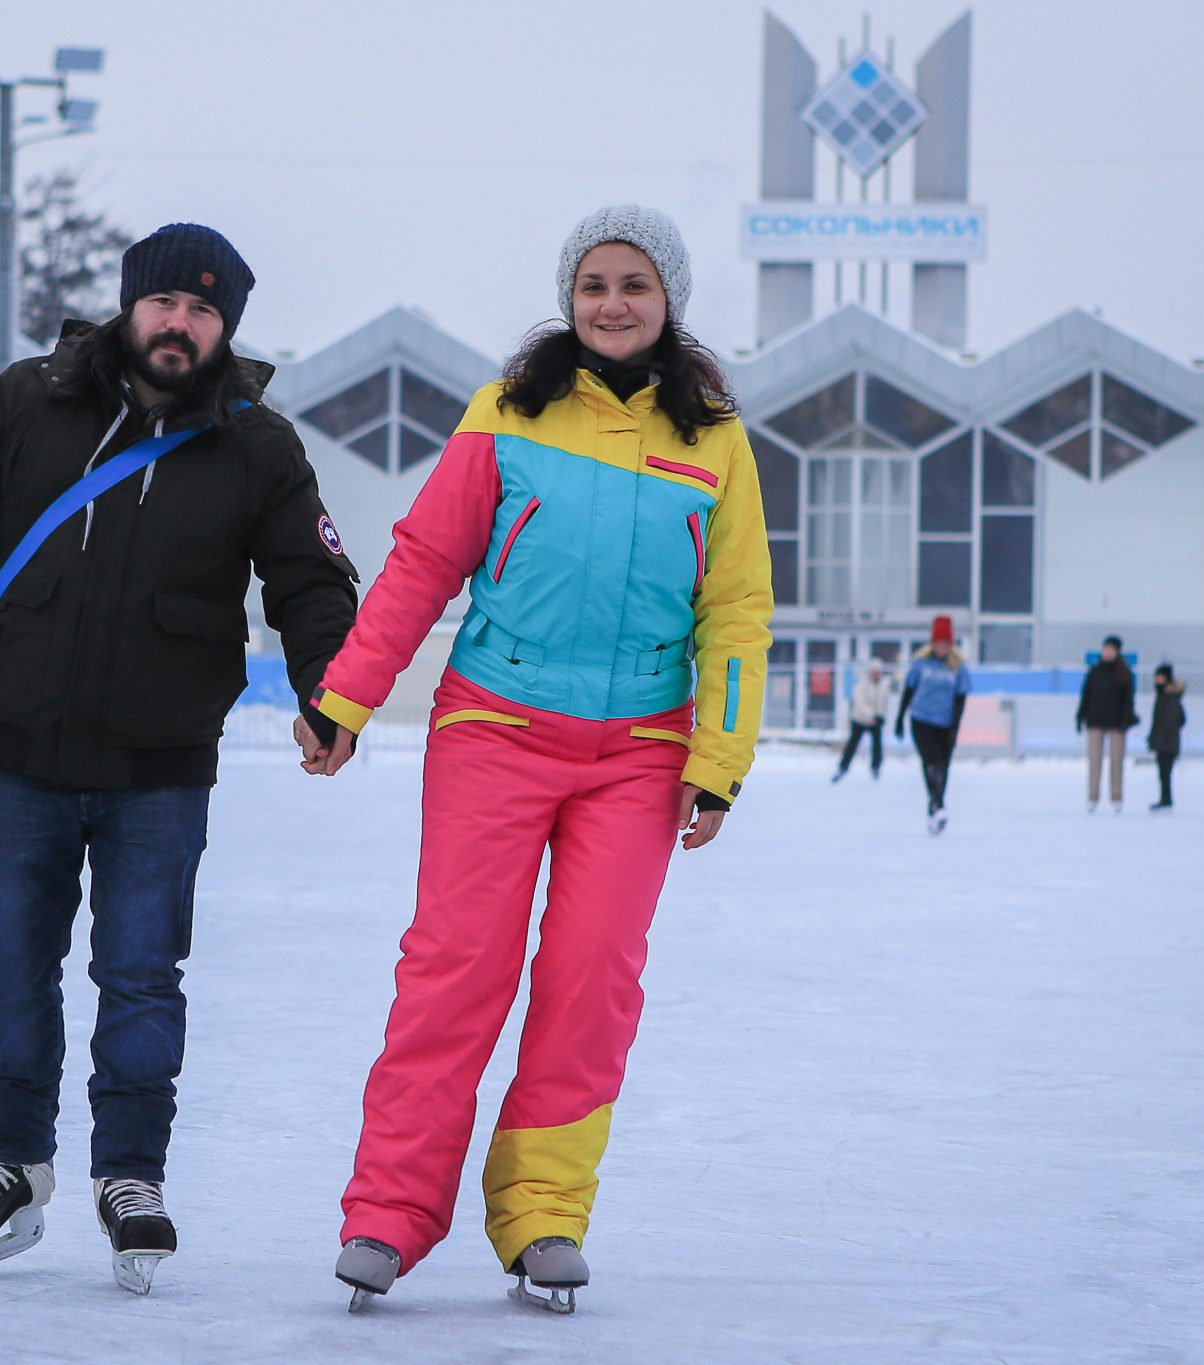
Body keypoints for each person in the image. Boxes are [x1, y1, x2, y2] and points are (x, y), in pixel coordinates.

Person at [0, 223, 358, 1293]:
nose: (181, 324)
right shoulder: (28, 402)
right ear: (130, 306)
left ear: (227, 329)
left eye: (205, 311)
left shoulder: (256, 447)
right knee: (10, 970)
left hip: (162, 764)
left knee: (139, 979)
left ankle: (130, 1174)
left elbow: (308, 587)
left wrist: (330, 692)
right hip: (16, 749)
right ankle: (10, 1163)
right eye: (166, 303)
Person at [304, 205, 772, 1313]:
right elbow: (424, 563)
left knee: (591, 977)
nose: (612, 304)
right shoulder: (505, 413)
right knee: (455, 966)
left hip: (639, 751)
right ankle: (386, 1212)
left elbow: (738, 611)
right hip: (495, 728)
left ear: (669, 304)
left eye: (635, 286)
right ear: (568, 298)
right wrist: (346, 696)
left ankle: (541, 1215)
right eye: (594, 284)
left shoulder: (714, 437)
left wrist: (719, 758)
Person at [894, 615, 970, 835]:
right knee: (931, 762)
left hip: (946, 724)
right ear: (932, 643)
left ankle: (934, 806)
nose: (942, 647)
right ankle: (939, 805)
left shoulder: (958, 668)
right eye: (938, 643)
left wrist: (955, 725)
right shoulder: (920, 665)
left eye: (946, 643)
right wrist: (899, 719)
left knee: (943, 767)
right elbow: (908, 691)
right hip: (922, 720)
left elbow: (961, 698)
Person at [1077, 634, 1139, 813]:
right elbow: (1086, 695)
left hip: (1117, 723)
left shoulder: (1123, 673)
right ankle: (1092, 797)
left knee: (1116, 762)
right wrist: (1080, 715)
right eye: (1105, 649)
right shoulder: (1095, 672)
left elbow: (1128, 700)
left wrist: (1126, 719)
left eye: (1111, 649)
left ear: (1117, 651)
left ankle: (1116, 797)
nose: (1107, 652)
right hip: (1095, 720)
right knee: (1095, 761)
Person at [831, 657, 894, 783]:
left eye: (878, 671)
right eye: (874, 671)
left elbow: (884, 704)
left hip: (875, 721)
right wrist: (872, 716)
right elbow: (860, 704)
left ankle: (876, 767)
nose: (876, 674)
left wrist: (880, 716)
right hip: (859, 720)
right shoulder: (861, 685)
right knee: (852, 745)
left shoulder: (883, 687)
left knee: (877, 745)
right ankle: (843, 767)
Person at [1146, 663, 1185, 812]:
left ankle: (1166, 799)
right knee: (1163, 774)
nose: (1157, 679)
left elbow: (1176, 719)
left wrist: (1163, 738)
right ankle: (1165, 798)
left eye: (1160, 676)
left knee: (1165, 774)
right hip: (1164, 742)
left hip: (1167, 743)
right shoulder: (1164, 695)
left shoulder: (1169, 697)